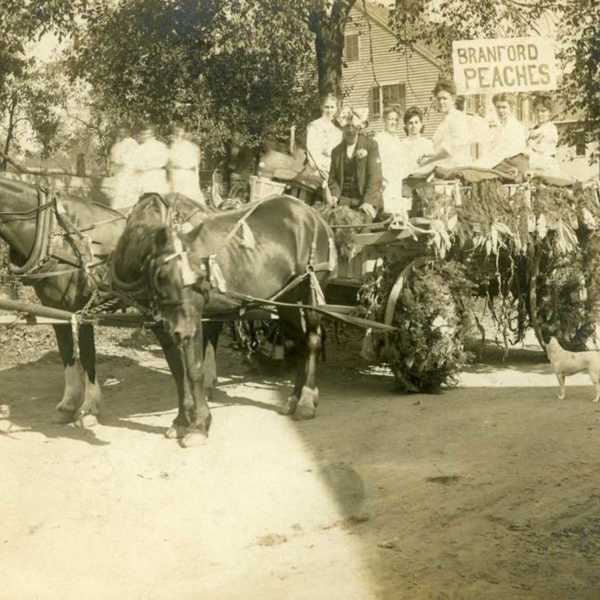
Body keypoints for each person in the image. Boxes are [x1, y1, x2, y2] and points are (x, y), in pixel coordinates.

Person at [327, 107, 383, 221]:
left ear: (359, 128)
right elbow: (332, 179)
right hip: (344, 200)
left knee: (362, 226)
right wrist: (334, 196)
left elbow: (375, 177)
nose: (350, 130)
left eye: (353, 126)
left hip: (366, 199)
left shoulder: (371, 146)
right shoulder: (336, 152)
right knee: (332, 222)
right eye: (347, 126)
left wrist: (368, 202)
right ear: (342, 128)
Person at [417, 79, 472, 172]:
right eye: (439, 99)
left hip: (456, 171)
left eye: (444, 98)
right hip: (446, 169)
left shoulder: (457, 118)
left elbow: (450, 151)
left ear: (453, 99)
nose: (441, 102)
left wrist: (427, 162)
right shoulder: (446, 120)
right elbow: (442, 149)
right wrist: (428, 155)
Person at [478, 93, 527, 169]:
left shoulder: (516, 127)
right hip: (494, 162)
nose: (500, 110)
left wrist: (483, 164)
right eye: (498, 107)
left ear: (511, 108)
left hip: (509, 165)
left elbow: (506, 152)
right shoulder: (497, 125)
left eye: (504, 107)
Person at [374, 105, 405, 213]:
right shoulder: (379, 138)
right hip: (384, 182)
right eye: (390, 119)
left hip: (396, 181)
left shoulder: (397, 140)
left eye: (396, 119)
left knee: (397, 212)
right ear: (384, 120)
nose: (393, 122)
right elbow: (375, 163)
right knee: (386, 212)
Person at [306, 93, 343, 180]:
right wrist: (322, 169)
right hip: (317, 169)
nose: (329, 110)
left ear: (336, 109)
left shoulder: (338, 131)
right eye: (326, 107)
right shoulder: (314, 126)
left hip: (334, 169)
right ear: (321, 107)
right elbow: (312, 151)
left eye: (332, 107)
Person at [167, 124, 205, 204]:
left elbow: (196, 165)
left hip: (183, 175)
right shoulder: (175, 146)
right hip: (182, 175)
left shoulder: (191, 147)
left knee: (187, 198)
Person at [108, 127, 141, 208]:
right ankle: (118, 209)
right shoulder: (118, 143)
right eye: (119, 132)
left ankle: (128, 209)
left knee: (127, 191)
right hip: (120, 172)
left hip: (128, 170)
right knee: (118, 191)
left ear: (127, 133)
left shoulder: (132, 143)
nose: (120, 134)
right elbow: (113, 156)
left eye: (122, 132)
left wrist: (120, 162)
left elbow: (132, 158)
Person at [526, 95, 560, 174]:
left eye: (543, 111)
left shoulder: (550, 129)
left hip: (546, 167)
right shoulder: (532, 129)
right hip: (533, 166)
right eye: (537, 111)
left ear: (550, 112)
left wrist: (531, 145)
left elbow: (543, 150)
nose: (539, 114)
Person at [400, 106, 433, 178]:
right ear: (406, 126)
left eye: (416, 122)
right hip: (406, 183)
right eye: (410, 123)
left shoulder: (428, 144)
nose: (413, 126)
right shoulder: (401, 145)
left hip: (424, 183)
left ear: (421, 124)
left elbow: (432, 166)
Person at [137, 126, 169, 195]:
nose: (142, 136)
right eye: (141, 134)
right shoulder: (141, 147)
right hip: (152, 176)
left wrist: (146, 166)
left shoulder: (161, 146)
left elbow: (164, 161)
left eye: (143, 134)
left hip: (151, 176)